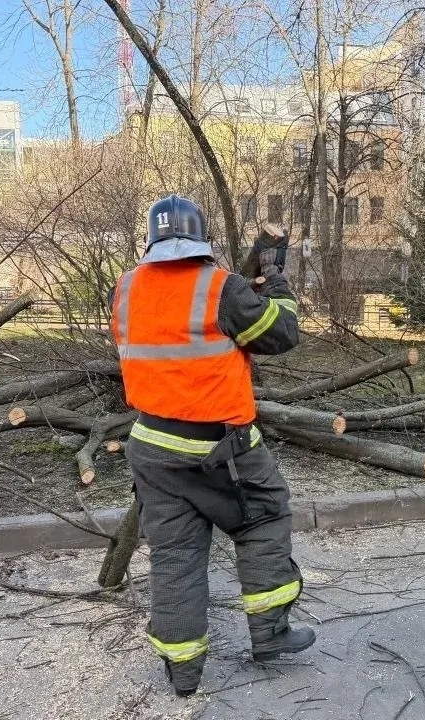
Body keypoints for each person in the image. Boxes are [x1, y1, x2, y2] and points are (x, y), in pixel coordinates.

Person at [112, 194, 316, 697]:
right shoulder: (221, 288)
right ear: (200, 238)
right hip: (220, 448)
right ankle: (270, 634)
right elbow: (282, 333)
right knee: (264, 519)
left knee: (176, 554)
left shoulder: (128, 286)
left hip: (151, 444)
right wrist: (280, 285)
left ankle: (183, 671)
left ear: (154, 240)